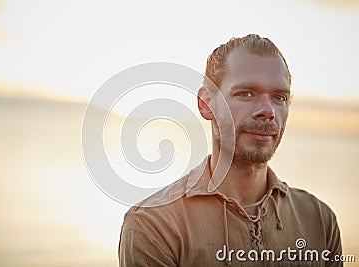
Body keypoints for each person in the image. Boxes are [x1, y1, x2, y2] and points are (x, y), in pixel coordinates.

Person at [118, 34, 342, 266]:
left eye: (278, 97)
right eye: (246, 94)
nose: (268, 111)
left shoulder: (318, 219)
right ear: (206, 104)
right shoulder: (154, 224)